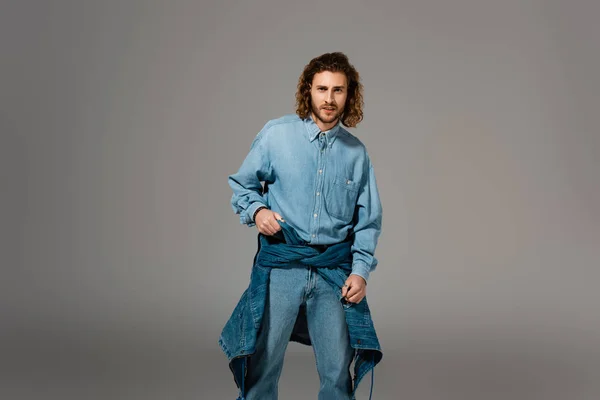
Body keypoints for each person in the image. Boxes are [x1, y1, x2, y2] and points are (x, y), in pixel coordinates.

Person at [219, 52, 383, 400]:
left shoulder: (357, 154)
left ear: (348, 94)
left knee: (338, 374)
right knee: (262, 366)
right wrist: (258, 210)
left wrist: (361, 271)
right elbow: (242, 184)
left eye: (338, 90)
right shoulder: (276, 135)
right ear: (307, 90)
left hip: (332, 275)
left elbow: (367, 222)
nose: (329, 98)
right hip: (281, 269)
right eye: (321, 88)